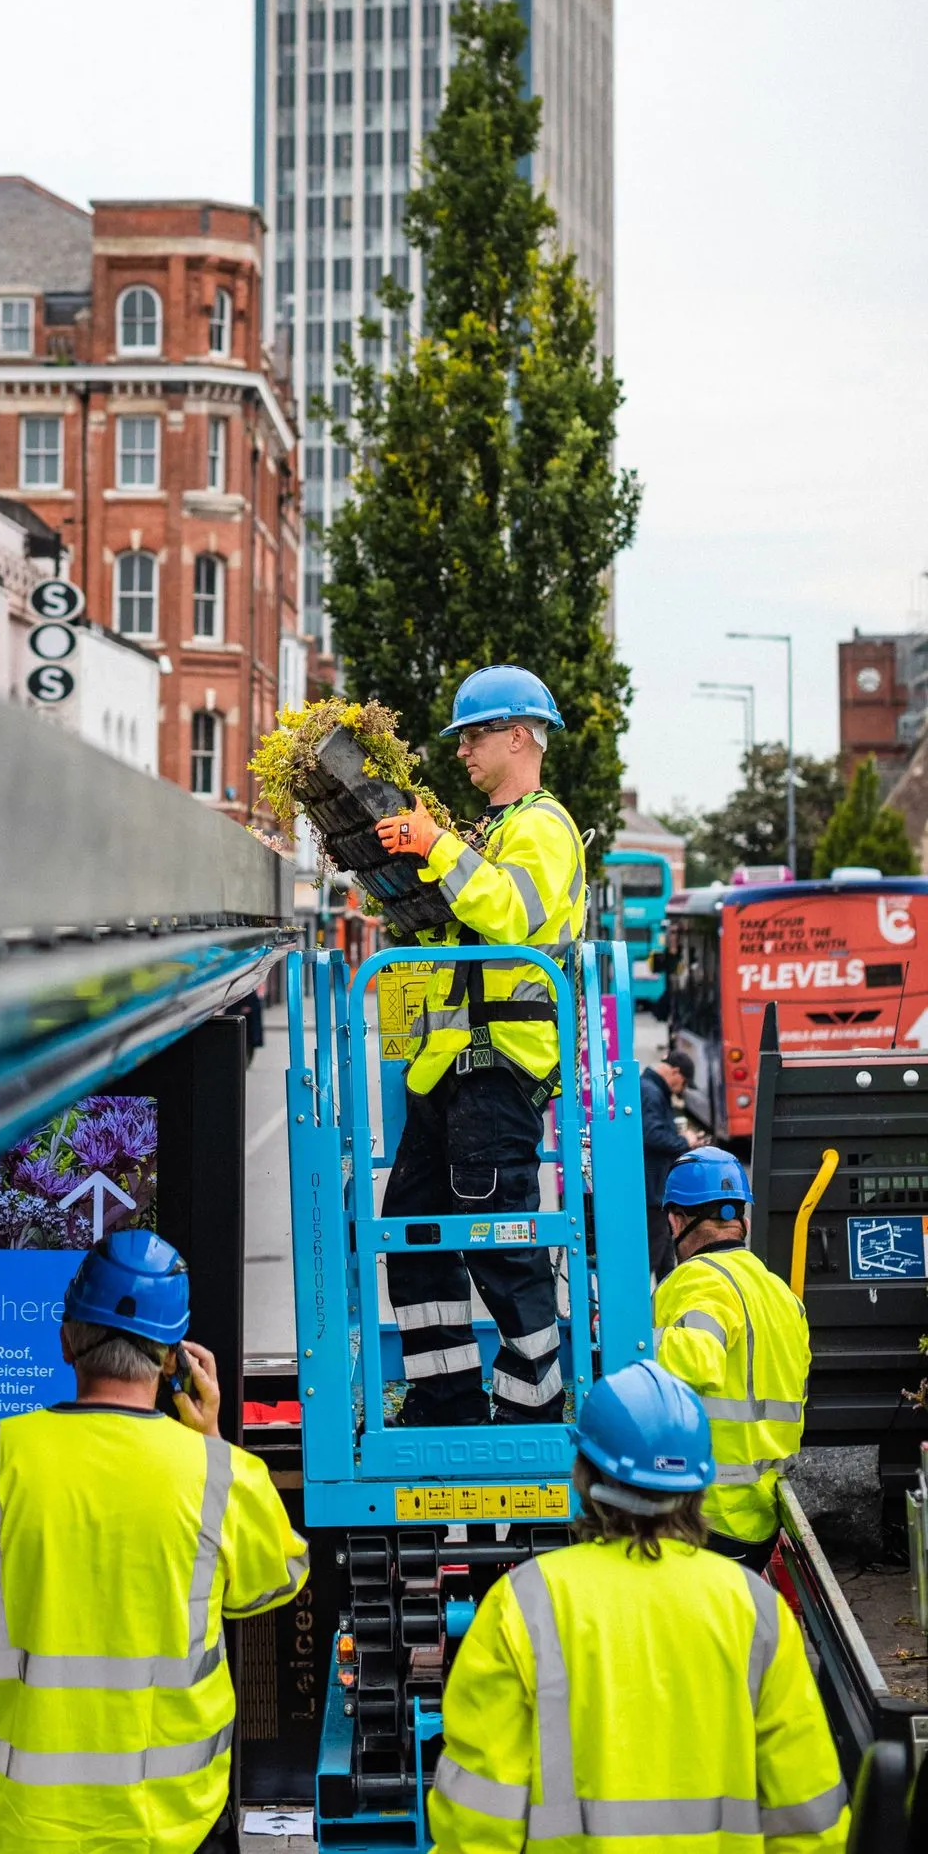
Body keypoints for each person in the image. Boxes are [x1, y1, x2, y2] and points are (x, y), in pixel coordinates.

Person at [0, 1228, 307, 1854]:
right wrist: (213, 1439)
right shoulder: (220, 1475)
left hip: (8, 1828)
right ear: (173, 1359)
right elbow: (274, 1581)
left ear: (67, 1339)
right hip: (171, 1829)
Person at [428, 1359, 848, 1854]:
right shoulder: (756, 1610)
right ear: (699, 1485)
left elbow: (477, 1821)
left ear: (584, 1474)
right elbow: (810, 1816)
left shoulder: (524, 1606)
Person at [371, 665, 587, 1424]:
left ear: (520, 736)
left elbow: (507, 913)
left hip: (499, 1072)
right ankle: (444, 1396)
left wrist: (434, 844)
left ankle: (534, 1401)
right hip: (447, 1072)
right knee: (414, 1234)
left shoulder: (543, 827)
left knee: (500, 1241)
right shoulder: (493, 831)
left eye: (474, 734)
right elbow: (458, 931)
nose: (462, 749)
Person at [653, 1145, 809, 1570]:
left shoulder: (699, 1279)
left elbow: (697, 1361)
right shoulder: (777, 1290)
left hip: (707, 1512)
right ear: (741, 1218)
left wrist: (632, 1338)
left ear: (676, 1220)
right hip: (759, 1513)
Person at [640, 1048, 694, 1279]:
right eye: (683, 1083)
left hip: (654, 1190)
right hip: (652, 1190)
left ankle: (665, 1310)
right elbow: (651, 1134)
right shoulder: (651, 1092)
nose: (680, 1090)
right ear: (675, 1072)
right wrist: (684, 1141)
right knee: (653, 1258)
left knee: (664, 1261)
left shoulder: (650, 1089)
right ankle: (638, 1312)